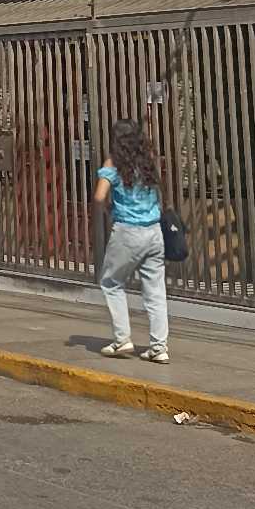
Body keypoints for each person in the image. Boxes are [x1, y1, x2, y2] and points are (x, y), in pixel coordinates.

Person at [94, 117, 170, 363]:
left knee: (111, 282)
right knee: (155, 291)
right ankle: (159, 347)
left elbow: (99, 196)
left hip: (128, 231)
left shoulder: (113, 164)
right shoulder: (148, 162)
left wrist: (109, 210)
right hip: (154, 231)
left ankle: (122, 339)